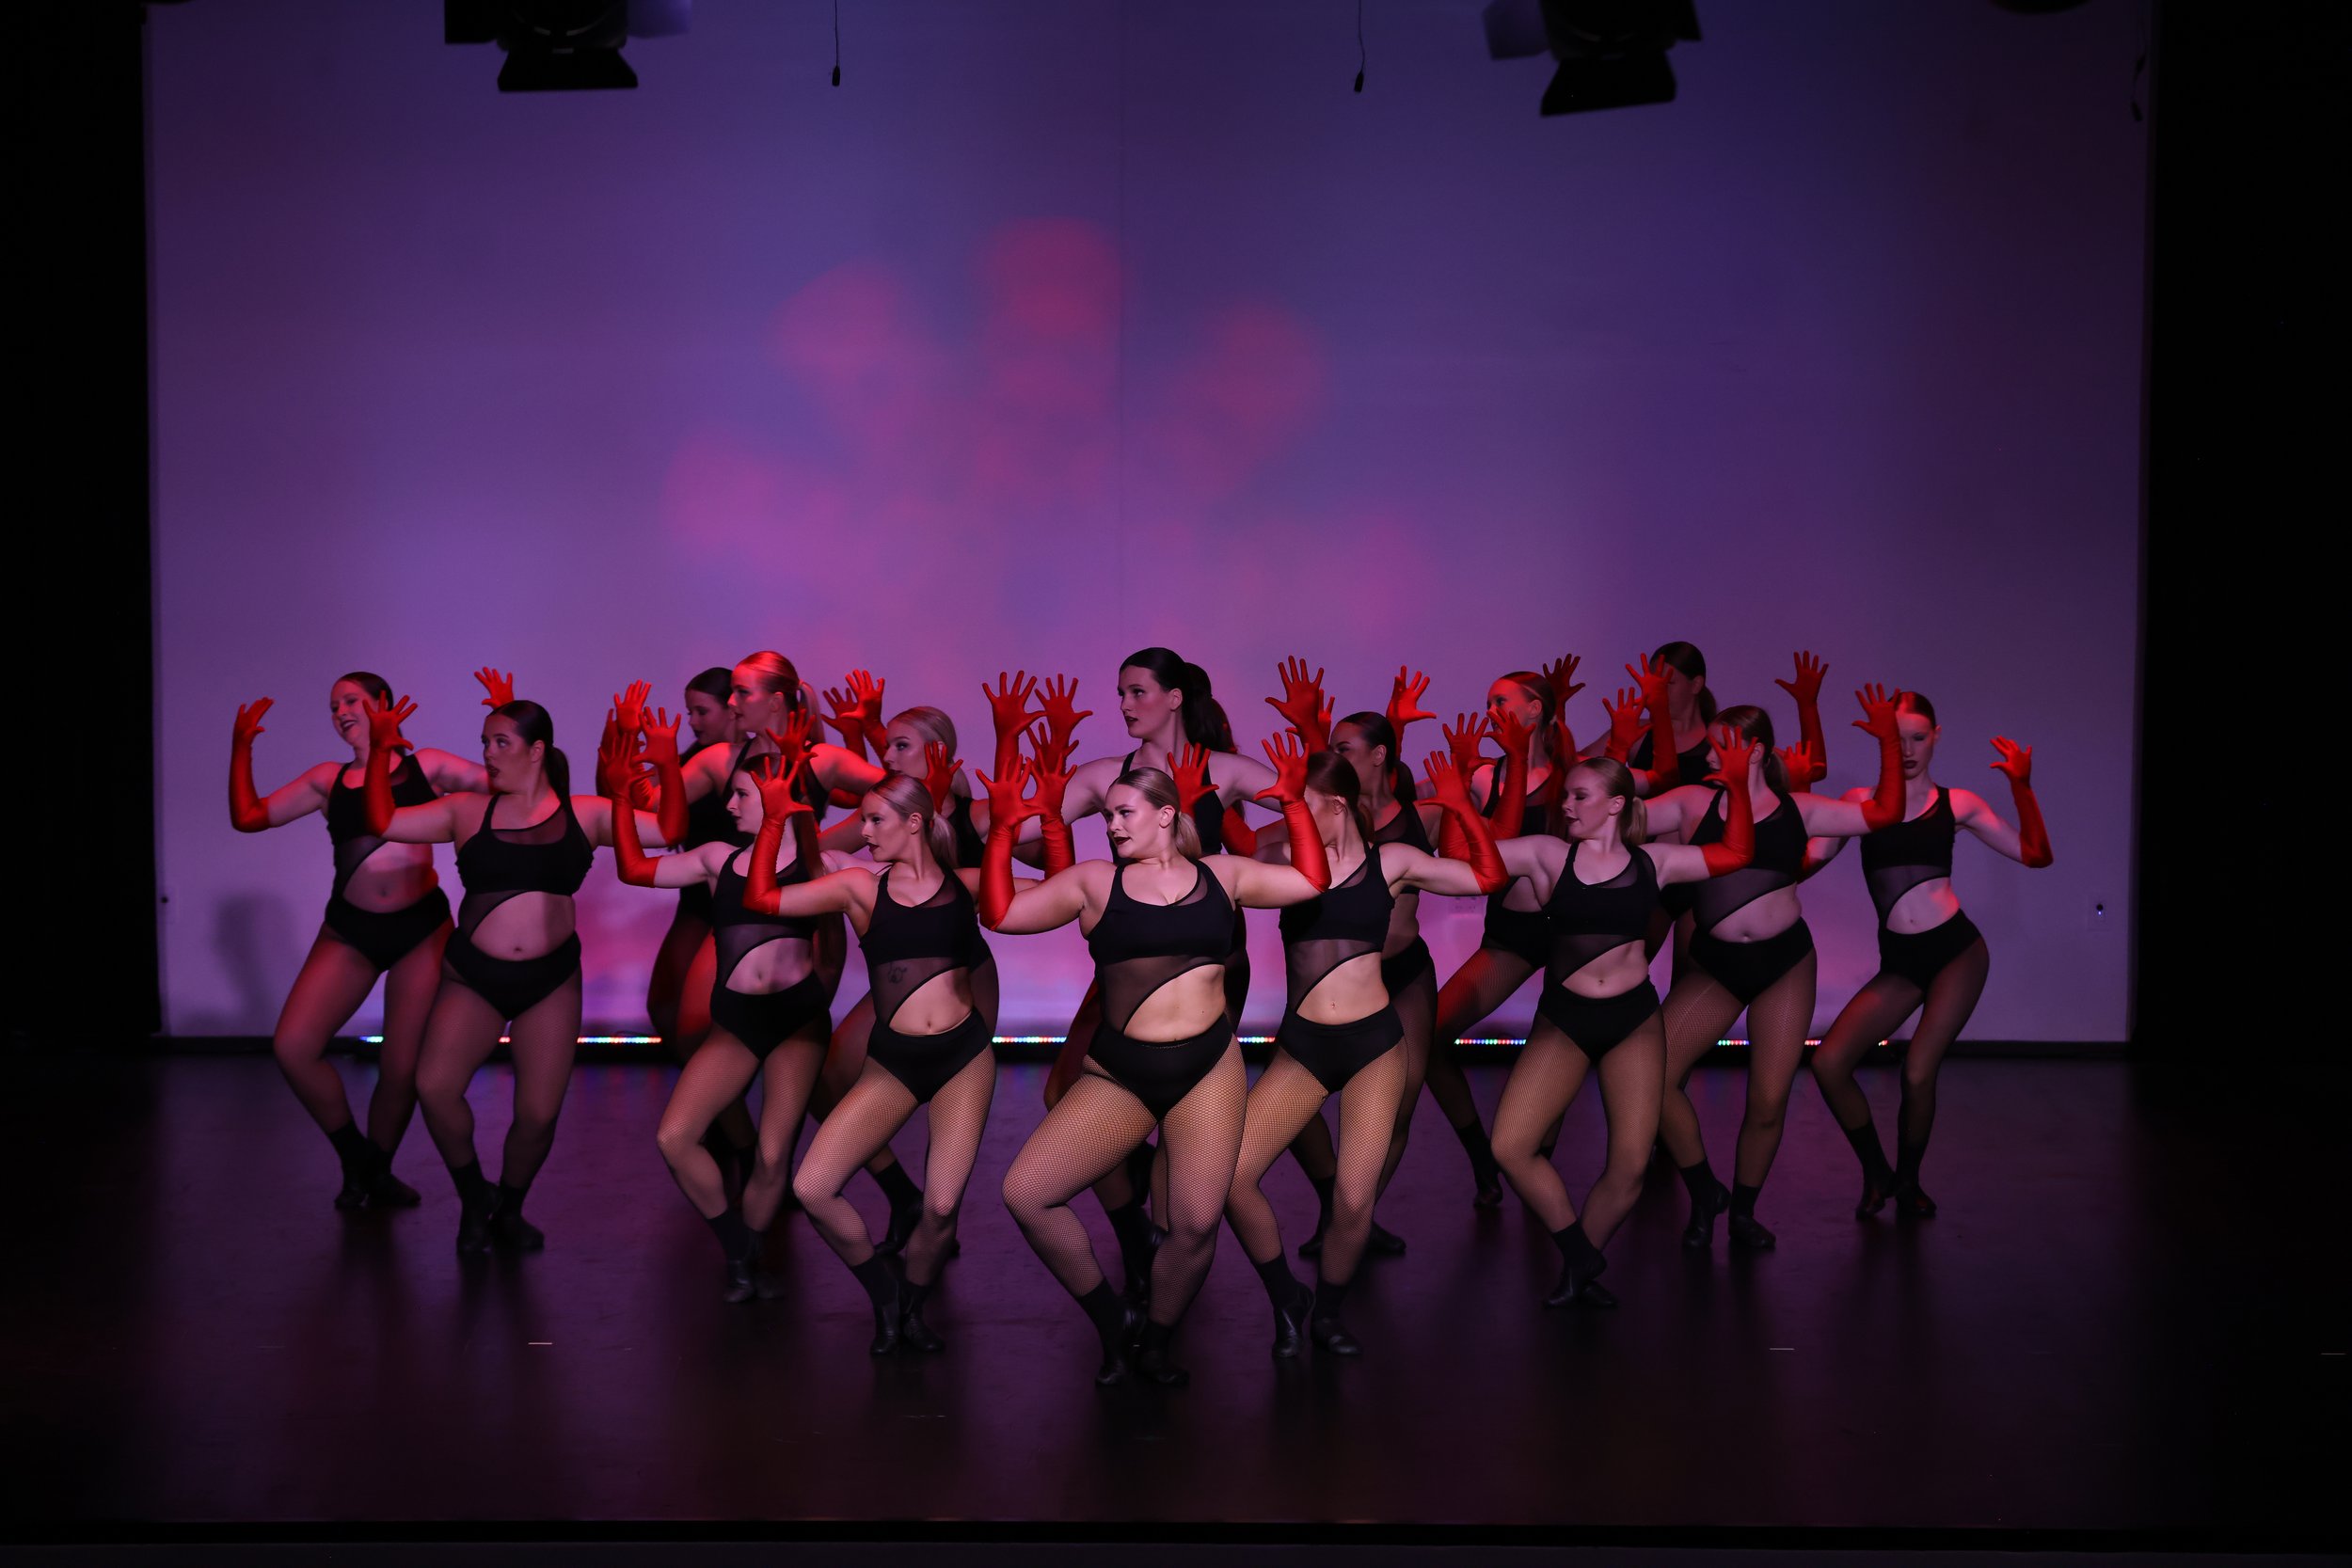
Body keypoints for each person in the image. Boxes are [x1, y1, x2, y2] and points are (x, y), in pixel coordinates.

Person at [985, 744, 1329, 1386]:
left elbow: (1311, 881)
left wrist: (1291, 804)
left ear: (1167, 814)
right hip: (1121, 1073)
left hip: (1206, 1068)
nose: (1111, 825)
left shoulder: (1224, 874)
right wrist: (1003, 829)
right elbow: (1000, 914)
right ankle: (1116, 1323)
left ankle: (1156, 1343)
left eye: (1123, 812)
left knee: (1196, 1223)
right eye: (1107, 815)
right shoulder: (1094, 882)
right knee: (1026, 1193)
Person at [358, 689, 671, 1253]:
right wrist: (381, 751)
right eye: (485, 743)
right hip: (473, 976)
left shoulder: (588, 812)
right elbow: (381, 818)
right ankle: (475, 1196)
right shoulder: (465, 808)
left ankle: (510, 1206)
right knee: (434, 1087)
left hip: (548, 982)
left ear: (536, 750)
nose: (488, 753)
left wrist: (659, 770)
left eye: (501, 742)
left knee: (537, 1113)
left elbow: (669, 831)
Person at [1225, 749, 1505, 1355]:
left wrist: (1461, 809)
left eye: (1299, 805)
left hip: (1374, 1046)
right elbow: (1212, 875)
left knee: (1354, 1200)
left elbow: (1488, 879)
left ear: (1337, 804)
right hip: (1303, 1047)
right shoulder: (1282, 863)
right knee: (1232, 1176)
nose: (1287, 816)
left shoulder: (1394, 862)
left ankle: (1327, 1311)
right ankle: (1285, 1295)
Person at [757, 768, 1030, 1351]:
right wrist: (777, 818)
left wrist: (1010, 827)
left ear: (915, 823)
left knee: (940, 1206)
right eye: (862, 819)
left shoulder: (967, 883)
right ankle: (886, 1295)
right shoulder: (860, 886)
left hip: (962, 1059)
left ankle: (913, 1303)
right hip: (894, 1063)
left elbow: (1060, 888)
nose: (863, 831)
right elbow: (762, 897)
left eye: (875, 819)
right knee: (812, 1186)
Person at [1486, 743, 1756, 1307]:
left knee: (1631, 1164)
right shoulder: (1545, 854)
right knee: (1511, 1146)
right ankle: (1580, 1251)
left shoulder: (1655, 862)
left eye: (1579, 796)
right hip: (1565, 1018)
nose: (1565, 806)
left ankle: (1578, 1266)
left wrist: (1736, 789)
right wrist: (1462, 806)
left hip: (1633, 1021)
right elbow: (1472, 856)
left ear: (1615, 804)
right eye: (1564, 796)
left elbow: (1736, 851)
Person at [1644, 688, 1907, 1250]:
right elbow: (1627, 815)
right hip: (1716, 965)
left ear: (1756, 751)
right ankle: (1703, 1189)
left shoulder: (1800, 810)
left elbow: (1885, 812)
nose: (1709, 757)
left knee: (1767, 1099)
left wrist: (1888, 739)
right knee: (1651, 1076)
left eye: (1721, 748)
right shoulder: (1695, 801)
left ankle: (1742, 1211)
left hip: (1783, 965)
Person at [226, 671, 493, 1207]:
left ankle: (373, 1174)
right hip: (349, 930)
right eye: (333, 706)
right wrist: (240, 750)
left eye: (352, 700)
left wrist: (506, 716)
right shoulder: (328, 780)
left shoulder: (428, 766)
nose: (341, 711)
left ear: (384, 705)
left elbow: (504, 784)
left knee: (400, 1068)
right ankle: (360, 1161)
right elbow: (249, 818)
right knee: (293, 1048)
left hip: (420, 929)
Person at [1805, 693, 2052, 1217]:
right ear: (1879, 738)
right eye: (1896, 738)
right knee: (1828, 1063)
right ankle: (1879, 1175)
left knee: (1918, 1072)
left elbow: (2035, 855)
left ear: (1937, 735)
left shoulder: (1957, 804)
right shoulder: (1859, 802)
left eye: (1918, 737)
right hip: (1901, 963)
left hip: (1955, 951)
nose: (1909, 748)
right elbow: (1807, 863)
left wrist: (2021, 786)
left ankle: (1910, 1182)